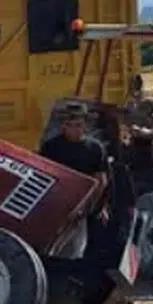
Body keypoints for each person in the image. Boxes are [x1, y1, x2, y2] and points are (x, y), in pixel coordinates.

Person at [39, 103, 111, 257]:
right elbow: (43, 176)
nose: (74, 129)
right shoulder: (51, 147)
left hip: (82, 208)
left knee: (75, 250)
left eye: (78, 124)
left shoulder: (94, 149)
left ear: (84, 124)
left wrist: (98, 206)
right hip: (55, 205)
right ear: (62, 125)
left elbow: (101, 179)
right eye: (69, 125)